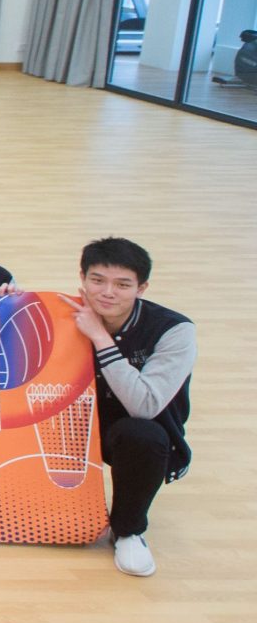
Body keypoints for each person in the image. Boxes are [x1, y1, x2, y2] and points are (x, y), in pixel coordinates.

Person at [62, 237, 196, 578]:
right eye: (97, 280)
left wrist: (100, 339)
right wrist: (2, 305)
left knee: (143, 434)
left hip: (132, 432)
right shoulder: (63, 314)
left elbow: (144, 405)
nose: (108, 292)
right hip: (73, 426)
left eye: (122, 284)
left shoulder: (174, 331)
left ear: (142, 287)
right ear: (83, 278)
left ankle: (128, 531)